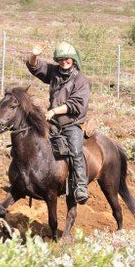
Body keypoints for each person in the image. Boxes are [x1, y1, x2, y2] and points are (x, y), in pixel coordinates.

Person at [26, 41, 91, 204]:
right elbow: (36, 68)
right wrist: (34, 55)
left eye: (66, 59)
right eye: (60, 59)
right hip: (52, 121)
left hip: (71, 123)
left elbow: (76, 105)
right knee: (32, 139)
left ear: (73, 58)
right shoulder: (55, 72)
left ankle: (81, 187)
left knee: (76, 151)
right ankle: (28, 178)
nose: (63, 62)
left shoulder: (82, 80)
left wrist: (54, 111)